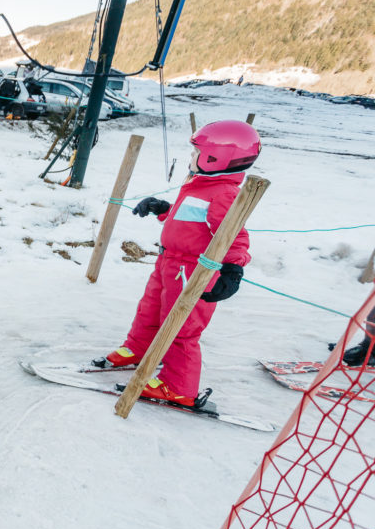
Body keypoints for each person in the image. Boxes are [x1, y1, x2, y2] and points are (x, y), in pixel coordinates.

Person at [97, 120, 262, 406]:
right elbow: (189, 219)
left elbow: (234, 235)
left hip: (193, 270)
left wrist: (233, 270)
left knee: (180, 327)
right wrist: (163, 209)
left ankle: (178, 386)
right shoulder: (201, 185)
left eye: (195, 153)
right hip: (169, 262)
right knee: (149, 311)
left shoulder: (224, 193)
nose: (190, 159)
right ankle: (140, 350)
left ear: (215, 157)